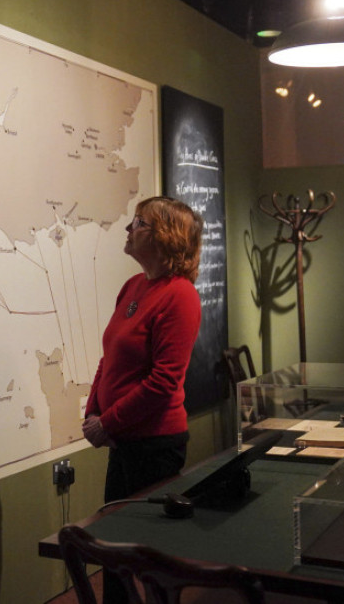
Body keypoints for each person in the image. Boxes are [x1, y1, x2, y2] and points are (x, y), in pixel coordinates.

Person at [82, 196, 203, 604]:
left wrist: (108, 422)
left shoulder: (180, 295)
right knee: (114, 547)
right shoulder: (133, 286)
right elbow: (110, 357)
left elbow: (164, 381)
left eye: (139, 223)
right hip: (122, 440)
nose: (128, 228)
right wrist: (93, 412)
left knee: (150, 557)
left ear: (165, 236)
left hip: (154, 446)